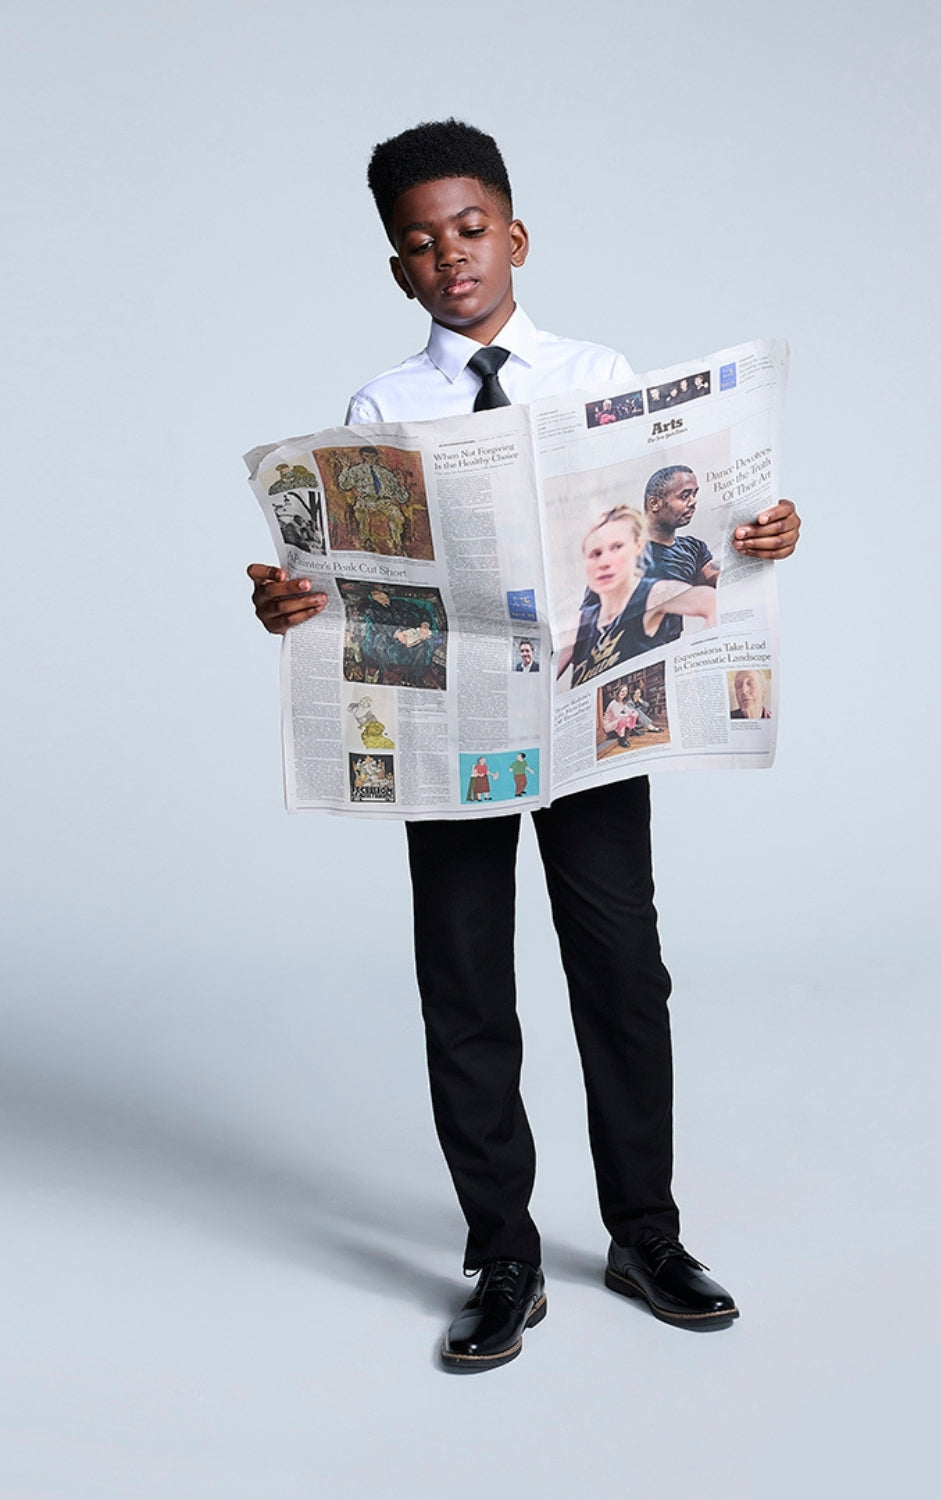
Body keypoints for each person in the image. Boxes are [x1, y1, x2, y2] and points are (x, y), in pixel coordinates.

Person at [246, 119, 800, 1372]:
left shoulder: (597, 372)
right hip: (457, 730)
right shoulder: (384, 405)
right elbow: (360, 580)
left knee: (623, 974)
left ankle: (646, 1235)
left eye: (471, 229)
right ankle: (503, 1255)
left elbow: (684, 526)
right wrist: (291, 601)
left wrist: (763, 531)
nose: (451, 256)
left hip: (588, 721)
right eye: (421, 242)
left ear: (517, 237)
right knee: (466, 987)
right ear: (398, 268)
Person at [559, 505, 717, 687]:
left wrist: (700, 666)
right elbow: (543, 672)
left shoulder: (653, 594)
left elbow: (711, 602)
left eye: (617, 547)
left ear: (638, 548)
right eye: (596, 553)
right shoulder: (580, 621)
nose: (604, 562)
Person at [601, 683, 638, 748]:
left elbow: (628, 710)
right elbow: (617, 715)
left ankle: (631, 729)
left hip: (615, 722)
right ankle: (622, 739)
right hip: (609, 725)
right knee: (623, 719)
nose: (624, 693)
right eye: (622, 691)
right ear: (618, 692)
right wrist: (629, 714)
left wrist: (634, 712)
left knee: (633, 715)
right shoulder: (614, 703)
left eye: (625, 691)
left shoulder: (622, 702)